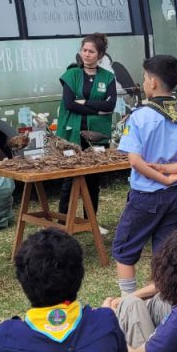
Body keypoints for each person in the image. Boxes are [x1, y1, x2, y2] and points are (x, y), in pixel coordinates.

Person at [112, 55, 177, 294]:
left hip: (146, 197)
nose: (144, 82)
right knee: (168, 255)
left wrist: (163, 177)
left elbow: (134, 160)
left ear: (153, 82)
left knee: (124, 250)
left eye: (145, 78)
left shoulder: (139, 116)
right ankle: (164, 303)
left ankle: (128, 302)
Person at [56, 33, 117, 223]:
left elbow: (111, 105)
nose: (87, 54)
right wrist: (98, 109)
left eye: (91, 51)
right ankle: (62, 221)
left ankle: (90, 221)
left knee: (93, 180)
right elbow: (69, 104)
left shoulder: (108, 77)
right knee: (69, 178)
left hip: (97, 136)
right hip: (72, 135)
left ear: (100, 55)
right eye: (84, 50)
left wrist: (85, 102)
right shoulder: (71, 75)